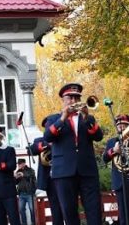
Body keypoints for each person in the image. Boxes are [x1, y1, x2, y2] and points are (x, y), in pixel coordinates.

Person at [44, 83, 103, 225]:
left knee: (94, 210)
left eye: (77, 98)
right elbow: (48, 137)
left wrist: (87, 117)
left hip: (87, 170)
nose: (74, 101)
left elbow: (98, 137)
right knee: (69, 213)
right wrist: (63, 117)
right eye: (70, 98)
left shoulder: (88, 118)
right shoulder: (53, 119)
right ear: (63, 100)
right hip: (64, 172)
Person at [30, 118, 64, 225]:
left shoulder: (61, 139)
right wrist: (44, 146)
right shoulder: (40, 140)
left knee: (68, 207)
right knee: (55, 209)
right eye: (47, 126)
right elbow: (31, 150)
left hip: (64, 176)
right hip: (50, 180)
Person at [103, 114, 129, 225]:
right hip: (120, 182)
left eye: (124, 125)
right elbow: (105, 158)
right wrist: (114, 150)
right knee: (123, 215)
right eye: (118, 125)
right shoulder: (112, 142)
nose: (121, 127)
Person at [15, 158, 36, 225]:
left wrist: (23, 175)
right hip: (21, 193)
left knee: (32, 210)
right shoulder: (18, 171)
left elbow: (31, 177)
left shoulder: (30, 170)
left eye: (20, 164)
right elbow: (16, 182)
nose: (19, 165)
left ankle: (33, 223)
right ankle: (24, 223)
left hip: (30, 193)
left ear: (24, 163)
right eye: (18, 164)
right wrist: (15, 177)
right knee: (21, 210)